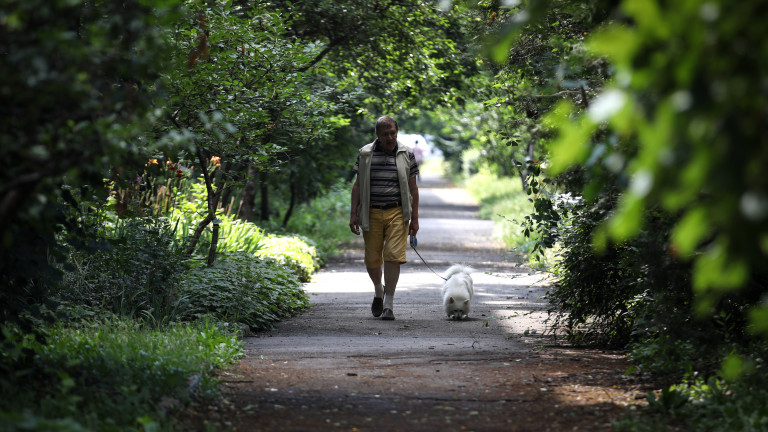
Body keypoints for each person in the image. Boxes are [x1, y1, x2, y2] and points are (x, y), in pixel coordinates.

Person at [349, 116, 419, 321]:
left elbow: (413, 189)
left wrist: (414, 219)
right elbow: (357, 185)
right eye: (385, 134)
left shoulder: (407, 153)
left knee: (392, 255)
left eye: (393, 133)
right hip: (370, 212)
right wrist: (353, 213)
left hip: (397, 211)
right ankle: (379, 291)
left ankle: (388, 304)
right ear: (377, 135)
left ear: (397, 132)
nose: (390, 137)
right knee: (372, 259)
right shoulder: (365, 154)